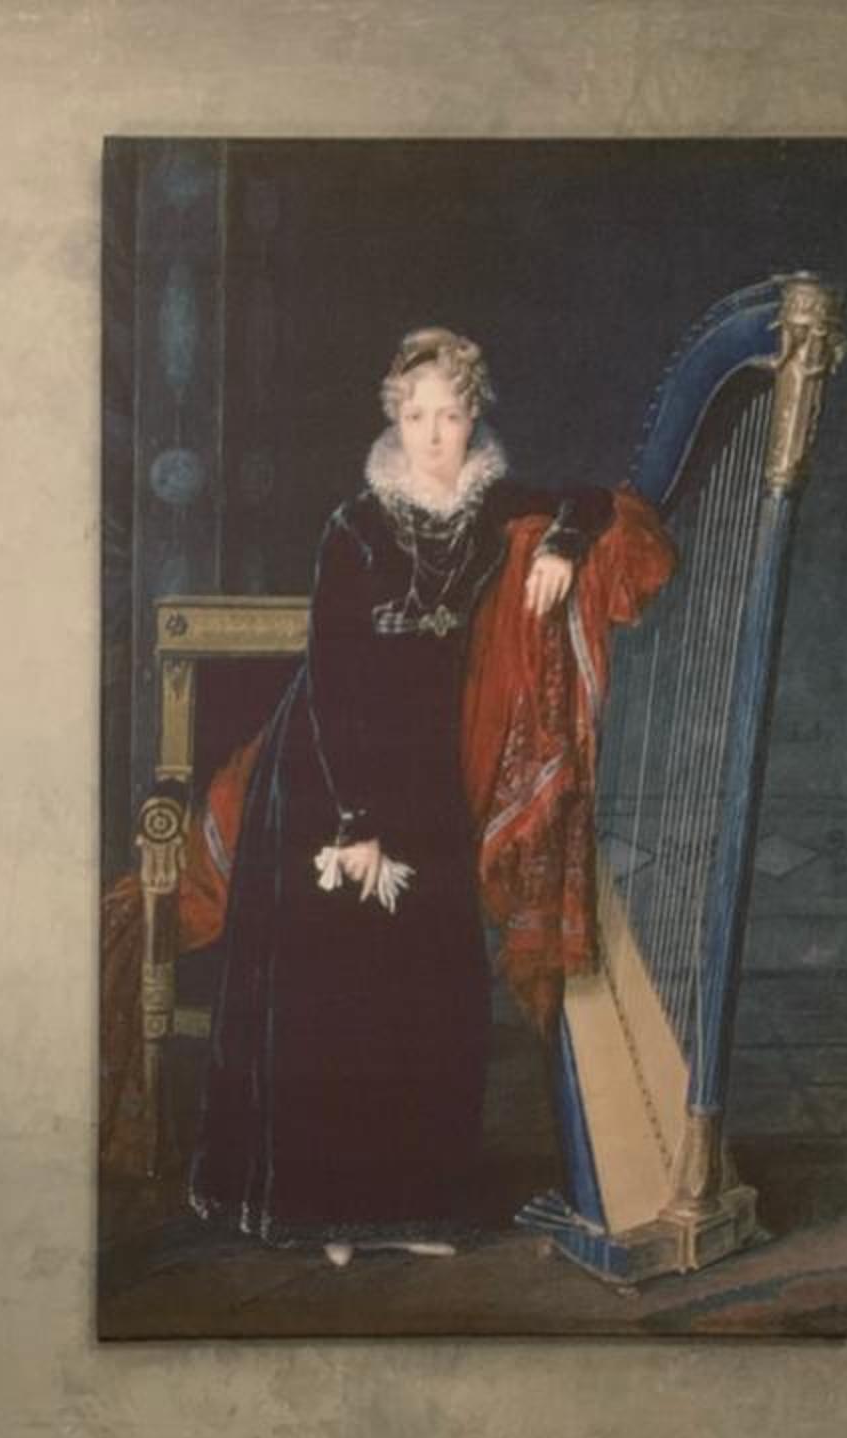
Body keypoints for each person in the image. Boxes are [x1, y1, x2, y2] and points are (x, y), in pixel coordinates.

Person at [188, 328, 617, 1256]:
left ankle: (416, 1208)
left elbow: (589, 499)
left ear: (474, 418)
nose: (432, 434)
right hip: (331, 767)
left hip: (428, 768)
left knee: (431, 993)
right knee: (342, 997)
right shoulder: (355, 526)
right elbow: (333, 678)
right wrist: (356, 824)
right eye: (415, 415)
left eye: (450, 415)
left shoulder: (492, 504)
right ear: (394, 417)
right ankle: (332, 1214)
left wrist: (562, 545)